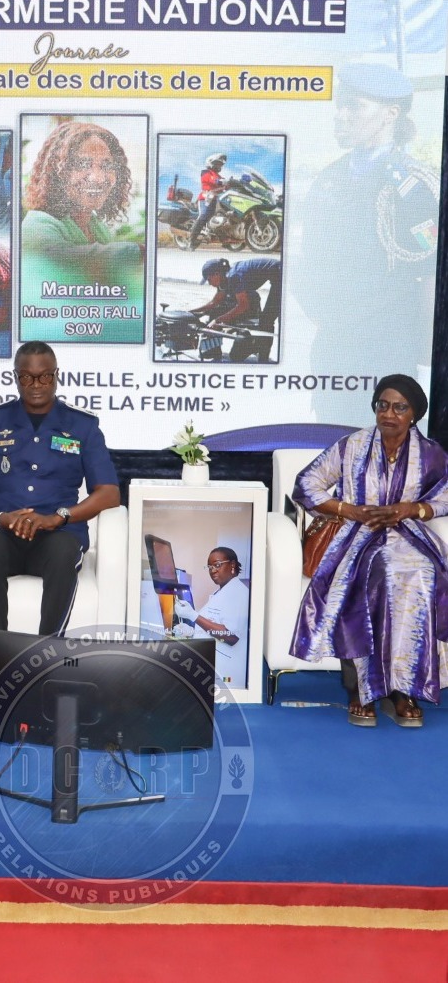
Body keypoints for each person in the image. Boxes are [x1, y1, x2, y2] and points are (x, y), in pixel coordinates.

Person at [289, 374, 448, 728]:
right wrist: (350, 510)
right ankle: (360, 689)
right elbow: (306, 483)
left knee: (423, 574)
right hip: (355, 534)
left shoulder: (430, 454)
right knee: (368, 577)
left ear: (415, 414)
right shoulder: (352, 445)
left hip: (408, 535)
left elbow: (445, 494)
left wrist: (413, 509)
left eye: (400, 408)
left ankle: (402, 689)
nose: (389, 414)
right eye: (383, 405)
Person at [294, 63, 440, 422]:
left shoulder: (413, 189)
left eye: (355, 106)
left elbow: (430, 277)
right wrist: (321, 311)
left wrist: (425, 361)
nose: (341, 115)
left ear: (391, 114)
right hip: (333, 352)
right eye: (340, 105)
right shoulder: (329, 179)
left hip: (386, 355)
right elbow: (308, 261)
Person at [0, 341, 121, 635]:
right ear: (16, 377)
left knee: (64, 553)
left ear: (56, 376)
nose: (36, 385)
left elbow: (109, 493)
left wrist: (59, 517)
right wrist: (0, 518)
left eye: (45, 376)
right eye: (27, 377)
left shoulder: (83, 426)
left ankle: (46, 650)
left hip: (58, 532)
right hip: (0, 530)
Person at [21, 120, 145, 345]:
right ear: (58, 173)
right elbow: (69, 260)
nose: (97, 177)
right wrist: (136, 252)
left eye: (106, 166)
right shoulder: (37, 225)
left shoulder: (95, 226)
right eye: (82, 164)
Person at [174, 547, 250, 689]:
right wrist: (191, 631)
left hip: (227, 671)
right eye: (209, 567)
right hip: (215, 665)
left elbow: (231, 636)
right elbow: (214, 625)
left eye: (217, 565)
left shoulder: (239, 593)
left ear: (232, 565)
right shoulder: (222, 591)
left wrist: (193, 615)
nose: (213, 570)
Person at [193, 257, 282, 332]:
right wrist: (191, 312)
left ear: (216, 274)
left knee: (267, 320)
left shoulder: (234, 276)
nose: (209, 283)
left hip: (280, 274)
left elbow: (243, 305)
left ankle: (262, 347)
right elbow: (214, 302)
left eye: (209, 279)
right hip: (276, 273)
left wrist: (218, 320)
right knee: (229, 301)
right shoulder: (224, 278)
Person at [188, 153, 228, 250]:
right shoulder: (206, 172)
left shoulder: (218, 175)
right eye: (217, 163)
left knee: (221, 217)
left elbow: (224, 183)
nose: (219, 166)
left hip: (216, 199)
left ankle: (226, 241)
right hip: (205, 198)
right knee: (204, 215)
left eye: (220, 164)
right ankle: (191, 241)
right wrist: (221, 182)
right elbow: (213, 180)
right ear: (210, 163)